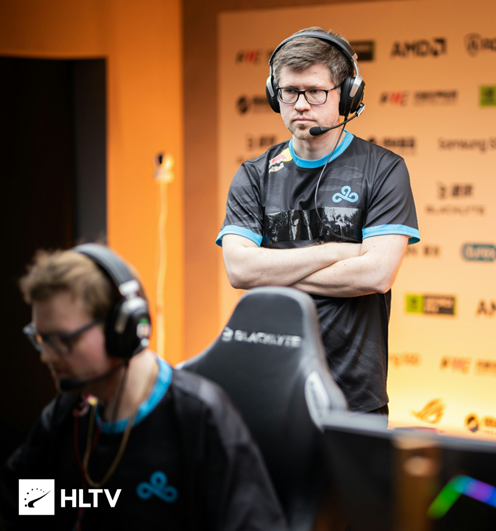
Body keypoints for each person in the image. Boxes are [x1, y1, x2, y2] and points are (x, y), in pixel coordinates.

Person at [0, 245, 287, 530]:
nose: (46, 357)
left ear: (122, 328)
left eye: (62, 340)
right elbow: (25, 508)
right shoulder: (67, 416)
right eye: (41, 339)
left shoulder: (199, 419)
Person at [217, 27, 419, 417]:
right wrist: (339, 252)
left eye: (315, 92)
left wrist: (271, 273)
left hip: (355, 395)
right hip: (270, 388)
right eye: (289, 92)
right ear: (274, 95)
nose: (300, 104)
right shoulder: (253, 175)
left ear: (347, 94)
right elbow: (240, 270)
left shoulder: (384, 169)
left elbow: (376, 274)